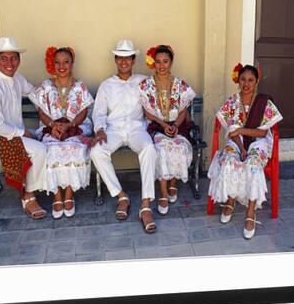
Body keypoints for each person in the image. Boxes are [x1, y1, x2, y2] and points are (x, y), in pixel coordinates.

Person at [208, 63, 283, 239]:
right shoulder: (233, 102)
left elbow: (263, 132)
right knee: (229, 161)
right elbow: (231, 131)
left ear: (256, 81)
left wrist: (242, 131)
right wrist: (241, 148)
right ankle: (231, 200)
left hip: (258, 143)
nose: (246, 83)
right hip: (237, 142)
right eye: (243, 79)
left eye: (250, 80)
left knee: (253, 166)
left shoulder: (264, 102)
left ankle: (250, 212)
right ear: (238, 81)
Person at [90, 39, 158, 233]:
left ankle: (145, 205)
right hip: (113, 129)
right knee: (96, 151)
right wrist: (100, 129)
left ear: (133, 59)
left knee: (149, 149)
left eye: (127, 58)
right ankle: (121, 196)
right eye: (120, 58)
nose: (123, 62)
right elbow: (99, 113)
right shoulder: (106, 85)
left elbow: (158, 99)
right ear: (115, 60)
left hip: (137, 128)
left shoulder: (143, 82)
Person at [0, 36, 47, 220]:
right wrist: (25, 133)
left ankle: (50, 186)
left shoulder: (17, 78)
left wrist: (52, 88)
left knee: (47, 138)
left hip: (19, 134)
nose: (10, 63)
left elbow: (33, 92)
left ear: (19, 60)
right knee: (40, 150)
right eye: (4, 58)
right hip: (0, 138)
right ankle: (28, 196)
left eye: (14, 58)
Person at [28, 46, 94, 218]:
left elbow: (83, 111)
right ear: (53, 64)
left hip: (75, 127)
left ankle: (69, 195)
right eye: (57, 62)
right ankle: (57, 195)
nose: (61, 66)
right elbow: (41, 111)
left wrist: (70, 124)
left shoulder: (79, 86)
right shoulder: (46, 86)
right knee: (50, 149)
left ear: (72, 64)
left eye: (66, 62)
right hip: (51, 128)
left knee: (75, 148)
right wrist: (52, 124)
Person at [139, 45, 196, 215]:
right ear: (153, 63)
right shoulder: (146, 85)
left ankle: (173, 183)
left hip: (178, 125)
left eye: (165, 61)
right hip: (157, 125)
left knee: (178, 147)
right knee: (162, 149)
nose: (161, 65)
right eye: (158, 62)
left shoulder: (180, 84)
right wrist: (164, 125)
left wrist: (176, 126)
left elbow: (183, 110)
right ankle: (163, 192)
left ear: (171, 62)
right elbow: (147, 112)